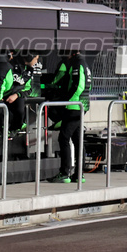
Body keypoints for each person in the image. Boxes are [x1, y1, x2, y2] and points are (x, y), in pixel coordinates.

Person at [46, 49, 90, 183]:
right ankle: (78, 174)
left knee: (63, 138)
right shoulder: (83, 62)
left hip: (74, 106)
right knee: (77, 140)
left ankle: (65, 173)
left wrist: (66, 100)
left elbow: (78, 86)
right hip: (80, 106)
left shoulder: (77, 63)